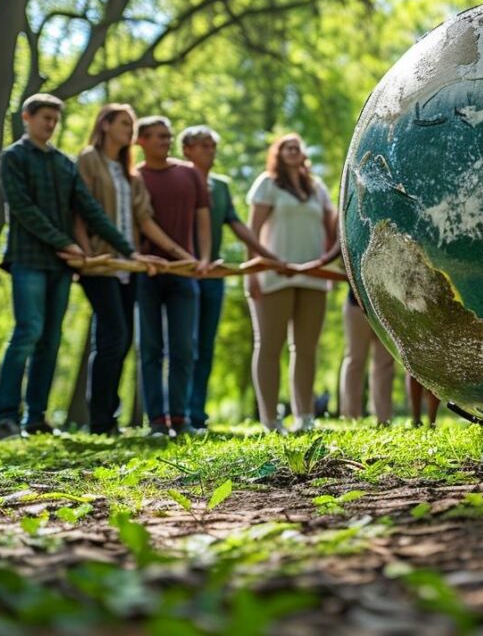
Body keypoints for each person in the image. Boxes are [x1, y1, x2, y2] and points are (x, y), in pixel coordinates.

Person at [0, 94, 141, 440]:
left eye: (54, 120)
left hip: (60, 266)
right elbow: (23, 209)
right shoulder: (13, 157)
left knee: (51, 339)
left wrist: (128, 251)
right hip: (28, 259)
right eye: (44, 118)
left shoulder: (63, 163)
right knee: (28, 332)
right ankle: (5, 418)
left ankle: (36, 419)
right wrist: (64, 242)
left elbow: (90, 210)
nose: (50, 124)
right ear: (27, 117)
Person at [74, 104, 195, 435]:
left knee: (121, 339)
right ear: (106, 125)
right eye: (125, 123)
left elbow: (144, 219)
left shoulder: (129, 172)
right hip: (101, 263)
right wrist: (85, 254)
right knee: (113, 336)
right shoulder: (88, 160)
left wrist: (178, 255)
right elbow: (80, 209)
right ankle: (100, 420)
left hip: (129, 266)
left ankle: (107, 418)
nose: (130, 128)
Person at [179, 125, 281, 431]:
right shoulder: (179, 179)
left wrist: (269, 256)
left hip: (214, 276)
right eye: (204, 145)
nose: (211, 150)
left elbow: (237, 224)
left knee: (206, 344)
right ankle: (176, 411)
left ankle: (196, 413)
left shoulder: (220, 187)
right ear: (187, 149)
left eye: (213, 145)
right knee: (184, 344)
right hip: (182, 272)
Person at [247, 134, 336, 433]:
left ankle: (305, 417)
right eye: (287, 146)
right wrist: (252, 273)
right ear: (278, 152)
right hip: (273, 275)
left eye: (298, 146)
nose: (293, 150)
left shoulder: (317, 188)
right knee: (270, 346)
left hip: (313, 277)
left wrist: (327, 265)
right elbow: (253, 230)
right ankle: (270, 420)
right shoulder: (267, 183)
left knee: (306, 348)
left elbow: (331, 229)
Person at [135, 116, 211, 437]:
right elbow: (139, 221)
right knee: (150, 348)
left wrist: (203, 258)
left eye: (167, 136)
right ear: (141, 141)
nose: (164, 142)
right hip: (147, 272)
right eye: (157, 137)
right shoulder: (134, 177)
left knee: (184, 348)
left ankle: (180, 419)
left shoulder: (189, 174)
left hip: (185, 274)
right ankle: (156, 421)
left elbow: (202, 217)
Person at [298, 242, 397, 424]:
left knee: (385, 362)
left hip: (387, 304)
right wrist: (318, 263)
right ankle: (351, 417)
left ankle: (384, 419)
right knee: (355, 359)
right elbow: (337, 250)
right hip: (356, 303)